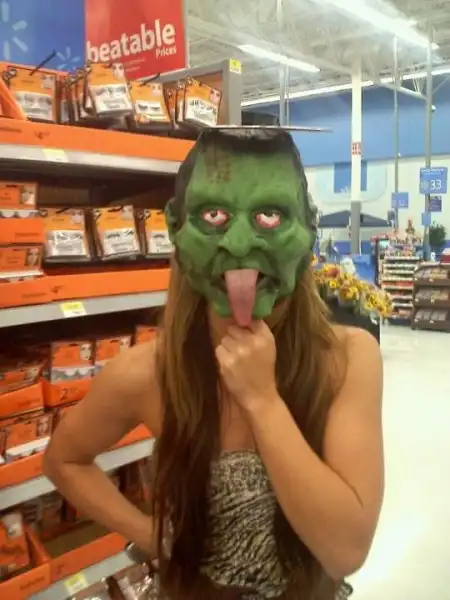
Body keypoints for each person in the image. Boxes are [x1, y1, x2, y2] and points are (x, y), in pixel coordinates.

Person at [44, 128, 384, 600]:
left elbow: (346, 550)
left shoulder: (347, 358)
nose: (240, 244)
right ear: (176, 227)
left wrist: (262, 400)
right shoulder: (148, 372)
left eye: (270, 216)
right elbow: (64, 459)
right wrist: (152, 538)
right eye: (214, 216)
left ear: (309, 226)